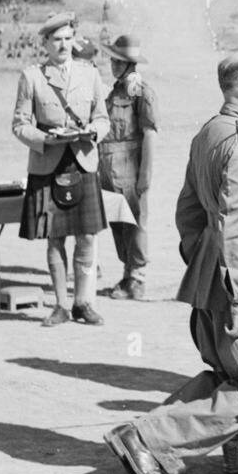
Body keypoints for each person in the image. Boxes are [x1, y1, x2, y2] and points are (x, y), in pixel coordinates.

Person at [103, 53, 238, 474]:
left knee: (227, 376)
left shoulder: (210, 132)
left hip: (218, 276)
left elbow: (189, 213)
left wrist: (207, 267)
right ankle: (148, 439)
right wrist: (236, 298)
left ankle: (144, 436)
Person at [12, 13, 110, 327]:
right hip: (48, 163)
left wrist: (93, 132)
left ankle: (84, 302)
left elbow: (103, 118)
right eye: (56, 39)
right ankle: (61, 305)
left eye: (68, 38)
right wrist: (45, 139)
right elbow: (19, 125)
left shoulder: (90, 73)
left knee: (87, 237)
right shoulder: (32, 77)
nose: (63, 45)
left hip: (82, 160)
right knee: (54, 238)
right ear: (45, 43)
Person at [97, 34, 157, 300]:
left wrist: (145, 174)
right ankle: (127, 275)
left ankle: (138, 279)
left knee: (135, 222)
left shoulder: (141, 92)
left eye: (118, 60)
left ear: (130, 63)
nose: (113, 63)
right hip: (108, 167)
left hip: (130, 166)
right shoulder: (114, 92)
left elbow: (150, 135)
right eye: (112, 58)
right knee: (118, 223)